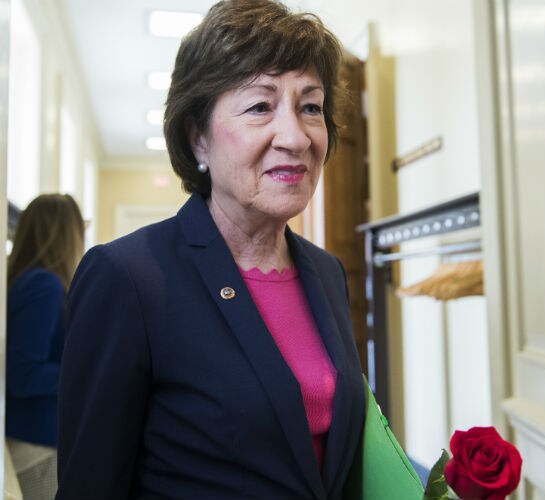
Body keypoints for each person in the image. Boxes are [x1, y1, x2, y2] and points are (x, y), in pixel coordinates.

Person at [56, 0, 365, 498]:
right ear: (197, 137)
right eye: (260, 106)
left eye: (310, 107)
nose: (295, 137)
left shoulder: (327, 272)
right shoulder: (126, 278)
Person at [5, 193, 84, 500]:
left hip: (33, 438)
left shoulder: (27, 281)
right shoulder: (44, 285)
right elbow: (23, 373)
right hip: (36, 442)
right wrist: (82, 366)